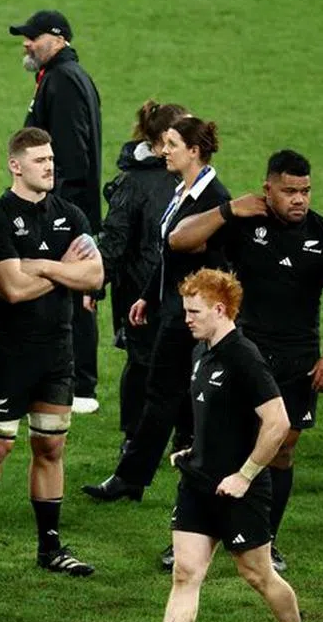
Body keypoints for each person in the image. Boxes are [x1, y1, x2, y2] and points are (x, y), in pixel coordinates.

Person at [109, 269, 317, 622]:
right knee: (185, 572)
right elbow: (218, 412)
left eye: (194, 311)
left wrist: (245, 474)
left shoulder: (243, 356)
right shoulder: (202, 350)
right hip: (198, 483)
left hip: (239, 491)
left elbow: (276, 421)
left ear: (220, 310)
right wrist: (197, 450)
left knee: (257, 574)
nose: (186, 318)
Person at [167, 149, 323, 572]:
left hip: (297, 361)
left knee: (281, 451)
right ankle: (193, 537)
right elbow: (178, 238)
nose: (299, 199)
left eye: (305, 191)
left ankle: (265, 541)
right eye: (289, 190)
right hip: (241, 353)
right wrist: (226, 209)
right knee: (213, 444)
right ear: (268, 189)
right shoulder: (243, 223)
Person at [0, 127, 103, 582]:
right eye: (40, 160)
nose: (49, 166)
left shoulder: (70, 214)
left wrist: (42, 265)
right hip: (9, 353)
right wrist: (66, 271)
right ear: (15, 165)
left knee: (51, 445)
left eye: (51, 158)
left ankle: (50, 548)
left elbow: (96, 275)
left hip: (58, 351)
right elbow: (13, 289)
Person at [83, 117, 231, 513]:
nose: (163, 151)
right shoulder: (182, 190)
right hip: (171, 310)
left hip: (195, 321)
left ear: (194, 151)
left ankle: (172, 490)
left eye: (171, 144)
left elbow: (217, 267)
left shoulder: (213, 199)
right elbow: (169, 254)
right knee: (167, 394)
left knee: (182, 401)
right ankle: (137, 477)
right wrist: (147, 296)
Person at [10, 9, 103, 413]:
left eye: (32, 37)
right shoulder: (61, 77)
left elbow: (70, 157)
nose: (26, 44)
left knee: (67, 290)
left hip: (64, 208)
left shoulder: (63, 81)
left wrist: (51, 210)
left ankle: (79, 387)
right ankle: (58, 382)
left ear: (58, 38)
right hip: (66, 206)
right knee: (59, 289)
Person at [97, 101, 189, 456]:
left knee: (187, 360)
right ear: (163, 141)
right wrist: (96, 283)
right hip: (141, 291)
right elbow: (115, 240)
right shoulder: (134, 183)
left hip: (186, 290)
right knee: (144, 362)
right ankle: (135, 439)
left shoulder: (194, 177)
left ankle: (185, 438)